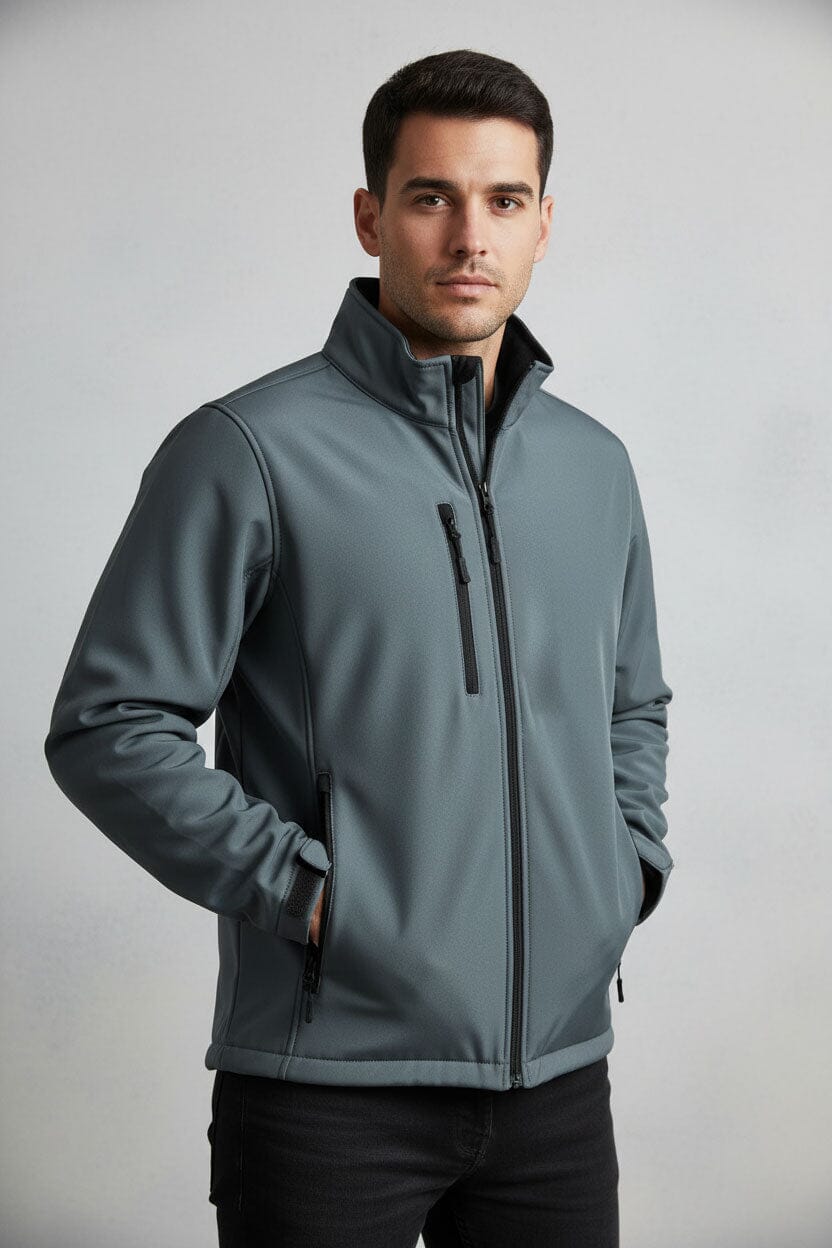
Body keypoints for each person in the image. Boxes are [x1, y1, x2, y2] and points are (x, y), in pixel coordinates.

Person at [43, 47, 674, 1248]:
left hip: (557, 1086)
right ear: (370, 216)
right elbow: (109, 726)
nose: (469, 237)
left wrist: (620, 872)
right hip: (326, 1094)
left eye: (503, 200)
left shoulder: (594, 467)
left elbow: (630, 701)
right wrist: (314, 895)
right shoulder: (249, 449)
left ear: (544, 224)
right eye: (432, 196)